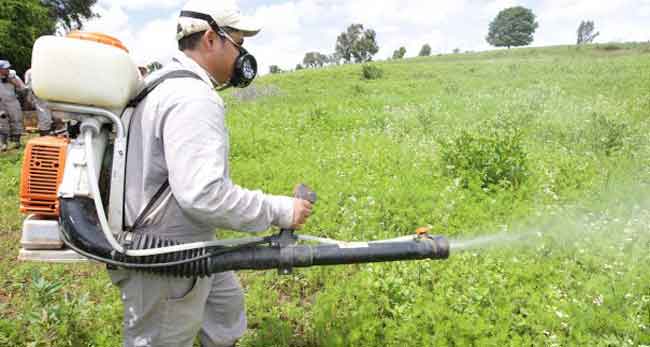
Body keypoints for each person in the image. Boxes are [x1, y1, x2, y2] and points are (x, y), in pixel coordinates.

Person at [107, 1, 313, 346]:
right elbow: (203, 194)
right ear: (210, 39)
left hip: (190, 243)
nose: (242, 55)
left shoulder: (161, 82)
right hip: (165, 255)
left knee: (225, 308)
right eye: (239, 44)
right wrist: (282, 210)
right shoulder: (192, 97)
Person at [0, 59, 25, 150]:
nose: (7, 70)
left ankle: (16, 142)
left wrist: (13, 82)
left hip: (12, 101)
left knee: (16, 120)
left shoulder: (13, 76)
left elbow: (23, 88)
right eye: (5, 68)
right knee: (2, 123)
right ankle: (3, 144)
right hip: (1, 103)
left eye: (8, 68)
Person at [24, 68, 55, 136]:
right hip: (40, 97)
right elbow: (28, 87)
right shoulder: (30, 72)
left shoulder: (51, 70)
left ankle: (51, 136)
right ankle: (44, 138)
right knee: (44, 118)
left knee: (54, 118)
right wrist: (28, 99)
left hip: (52, 96)